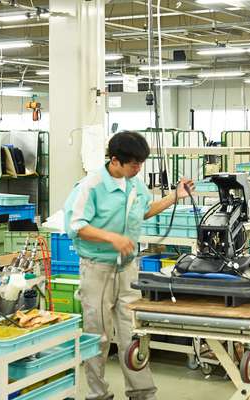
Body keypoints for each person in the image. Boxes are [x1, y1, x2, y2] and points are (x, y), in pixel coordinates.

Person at [64, 131, 195, 400]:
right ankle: (97, 394)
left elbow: (144, 209)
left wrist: (174, 197)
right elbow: (75, 226)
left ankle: (142, 392)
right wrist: (111, 237)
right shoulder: (91, 185)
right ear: (115, 160)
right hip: (97, 269)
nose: (138, 168)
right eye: (134, 164)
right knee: (98, 335)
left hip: (127, 268)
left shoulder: (134, 184)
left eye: (141, 163)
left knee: (133, 332)